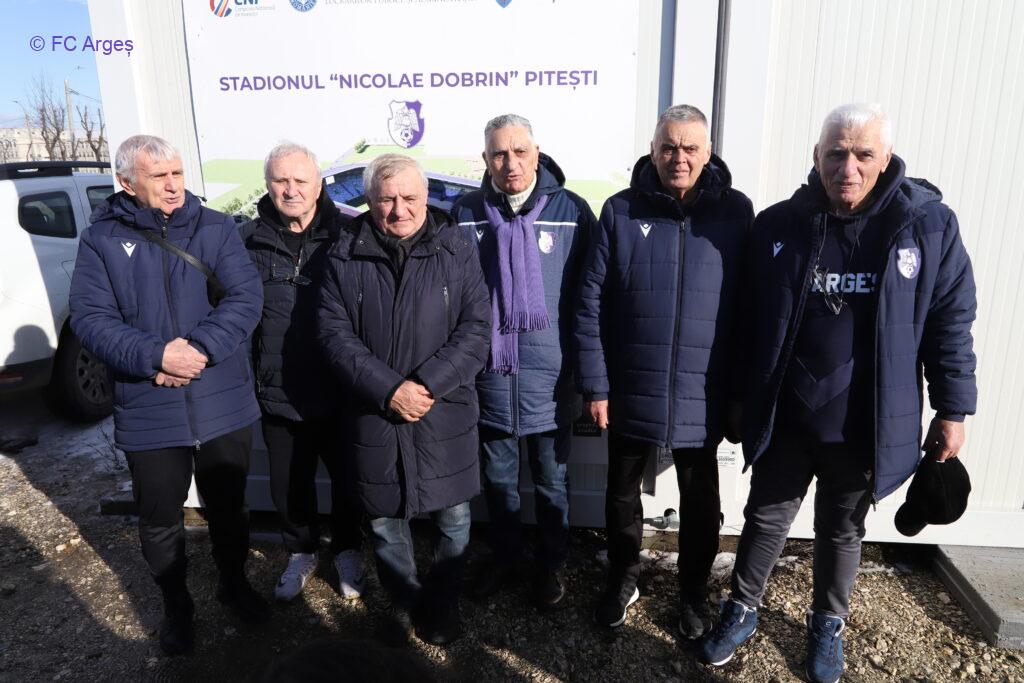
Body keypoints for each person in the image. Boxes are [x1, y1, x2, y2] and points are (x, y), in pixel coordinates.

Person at [698, 103, 977, 683]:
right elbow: (748, 322)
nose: (848, 167)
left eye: (863, 154)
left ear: (885, 158)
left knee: (842, 527)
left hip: (865, 419)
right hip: (788, 413)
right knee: (765, 517)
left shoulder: (926, 226)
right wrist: (738, 399)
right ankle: (742, 607)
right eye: (836, 153)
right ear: (817, 156)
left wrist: (953, 408)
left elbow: (950, 322)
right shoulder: (779, 225)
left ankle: (827, 623)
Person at [69, 134, 268, 655]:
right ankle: (177, 607)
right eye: (159, 177)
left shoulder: (215, 227)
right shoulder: (100, 241)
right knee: (159, 519)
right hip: (149, 407)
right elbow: (91, 319)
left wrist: (196, 350)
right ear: (126, 182)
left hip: (221, 400)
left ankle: (234, 584)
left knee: (230, 508)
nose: (174, 185)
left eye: (177, 173)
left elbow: (246, 297)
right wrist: (157, 356)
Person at [575, 105, 753, 634]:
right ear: (652, 151)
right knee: (621, 494)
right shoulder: (620, 211)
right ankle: (623, 577)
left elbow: (752, 307)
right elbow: (589, 302)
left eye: (690, 148)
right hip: (631, 385)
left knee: (701, 500)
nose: (679, 158)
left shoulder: (736, 212)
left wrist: (740, 391)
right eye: (669, 147)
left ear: (708, 153)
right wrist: (596, 384)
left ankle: (693, 591)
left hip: (704, 389)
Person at [318, 154, 490, 646]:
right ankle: (406, 602)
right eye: (386, 199)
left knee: (455, 519)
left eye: (410, 197)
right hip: (375, 413)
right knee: (384, 521)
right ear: (369, 201)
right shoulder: (343, 254)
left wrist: (428, 385)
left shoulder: (456, 249)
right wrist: (389, 390)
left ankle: (441, 603)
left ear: (426, 196)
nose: (399, 210)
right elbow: (333, 335)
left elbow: (476, 331)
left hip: (443, 409)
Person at [450, 114, 596, 609]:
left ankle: (552, 565)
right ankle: (506, 558)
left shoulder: (572, 211)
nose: (509, 163)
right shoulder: (464, 213)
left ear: (537, 154)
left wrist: (586, 372)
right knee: (498, 482)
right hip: (490, 375)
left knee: (552, 482)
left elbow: (589, 299)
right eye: (498, 153)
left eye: (519, 151)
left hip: (551, 380)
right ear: (485, 159)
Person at [242, 142, 364, 602]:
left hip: (340, 388)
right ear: (268, 185)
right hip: (279, 389)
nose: (290, 190)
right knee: (289, 487)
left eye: (300, 180)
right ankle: (301, 551)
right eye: (281, 181)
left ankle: (349, 549)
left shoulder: (349, 234)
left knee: (350, 480)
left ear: (318, 185)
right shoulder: (247, 241)